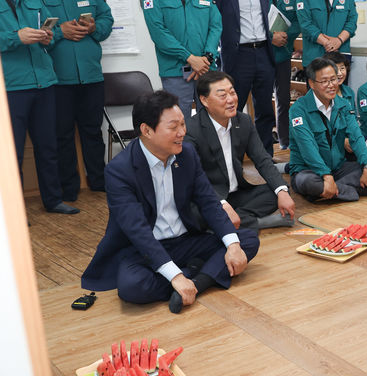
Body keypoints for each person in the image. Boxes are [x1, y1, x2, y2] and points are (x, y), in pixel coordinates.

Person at [81, 91, 260, 314]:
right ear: (146, 130)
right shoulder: (119, 171)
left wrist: (232, 246)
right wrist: (174, 275)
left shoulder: (187, 154)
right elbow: (137, 231)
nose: (182, 133)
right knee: (132, 287)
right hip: (145, 248)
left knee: (246, 240)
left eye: (183, 124)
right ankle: (198, 274)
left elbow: (208, 202)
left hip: (186, 240)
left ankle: (194, 284)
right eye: (173, 127)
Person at [185, 72, 296, 229]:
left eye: (232, 92)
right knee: (193, 215)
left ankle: (232, 222)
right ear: (204, 100)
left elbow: (262, 160)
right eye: (222, 95)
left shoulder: (243, 121)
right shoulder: (191, 129)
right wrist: (221, 203)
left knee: (278, 190)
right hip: (208, 197)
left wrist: (281, 190)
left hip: (237, 194)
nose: (231, 100)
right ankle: (256, 223)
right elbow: (194, 177)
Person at [1, 1, 79, 214]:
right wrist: (16, 37)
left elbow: (50, 35)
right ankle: (14, 211)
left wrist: (48, 37)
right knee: (12, 153)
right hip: (11, 86)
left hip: (44, 82)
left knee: (48, 146)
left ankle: (53, 200)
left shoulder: (33, 2)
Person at [288, 58, 367, 201]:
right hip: (309, 171)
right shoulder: (298, 109)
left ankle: (328, 192)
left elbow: (356, 137)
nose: (331, 85)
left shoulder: (343, 105)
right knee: (307, 182)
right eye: (324, 81)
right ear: (311, 83)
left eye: (333, 79)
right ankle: (352, 190)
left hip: (338, 169)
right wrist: (325, 175)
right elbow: (307, 147)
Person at [48, 0, 113, 199]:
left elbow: (106, 19)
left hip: (91, 75)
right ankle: (68, 188)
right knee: (62, 135)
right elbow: (35, 31)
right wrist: (60, 32)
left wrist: (95, 27)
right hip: (58, 79)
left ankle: (99, 181)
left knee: (93, 131)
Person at [142, 0, 222, 119]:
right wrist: (189, 58)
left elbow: (216, 26)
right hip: (175, 72)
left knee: (212, 120)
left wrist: (207, 58)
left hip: (206, 68)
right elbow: (158, 33)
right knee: (179, 123)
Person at [217, 0, 277, 156]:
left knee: (265, 109)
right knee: (232, 109)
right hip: (239, 55)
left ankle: (265, 157)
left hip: (264, 52)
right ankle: (233, 160)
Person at [272, 0, 301, 150]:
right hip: (263, 53)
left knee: (283, 98)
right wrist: (271, 36)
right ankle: (263, 140)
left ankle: (284, 139)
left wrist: (285, 35)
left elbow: (298, 20)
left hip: (283, 54)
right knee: (262, 100)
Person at [296, 0, 357, 67]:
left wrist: (339, 40)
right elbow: (305, 25)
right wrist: (327, 43)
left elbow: (352, 22)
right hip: (315, 58)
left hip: (341, 58)